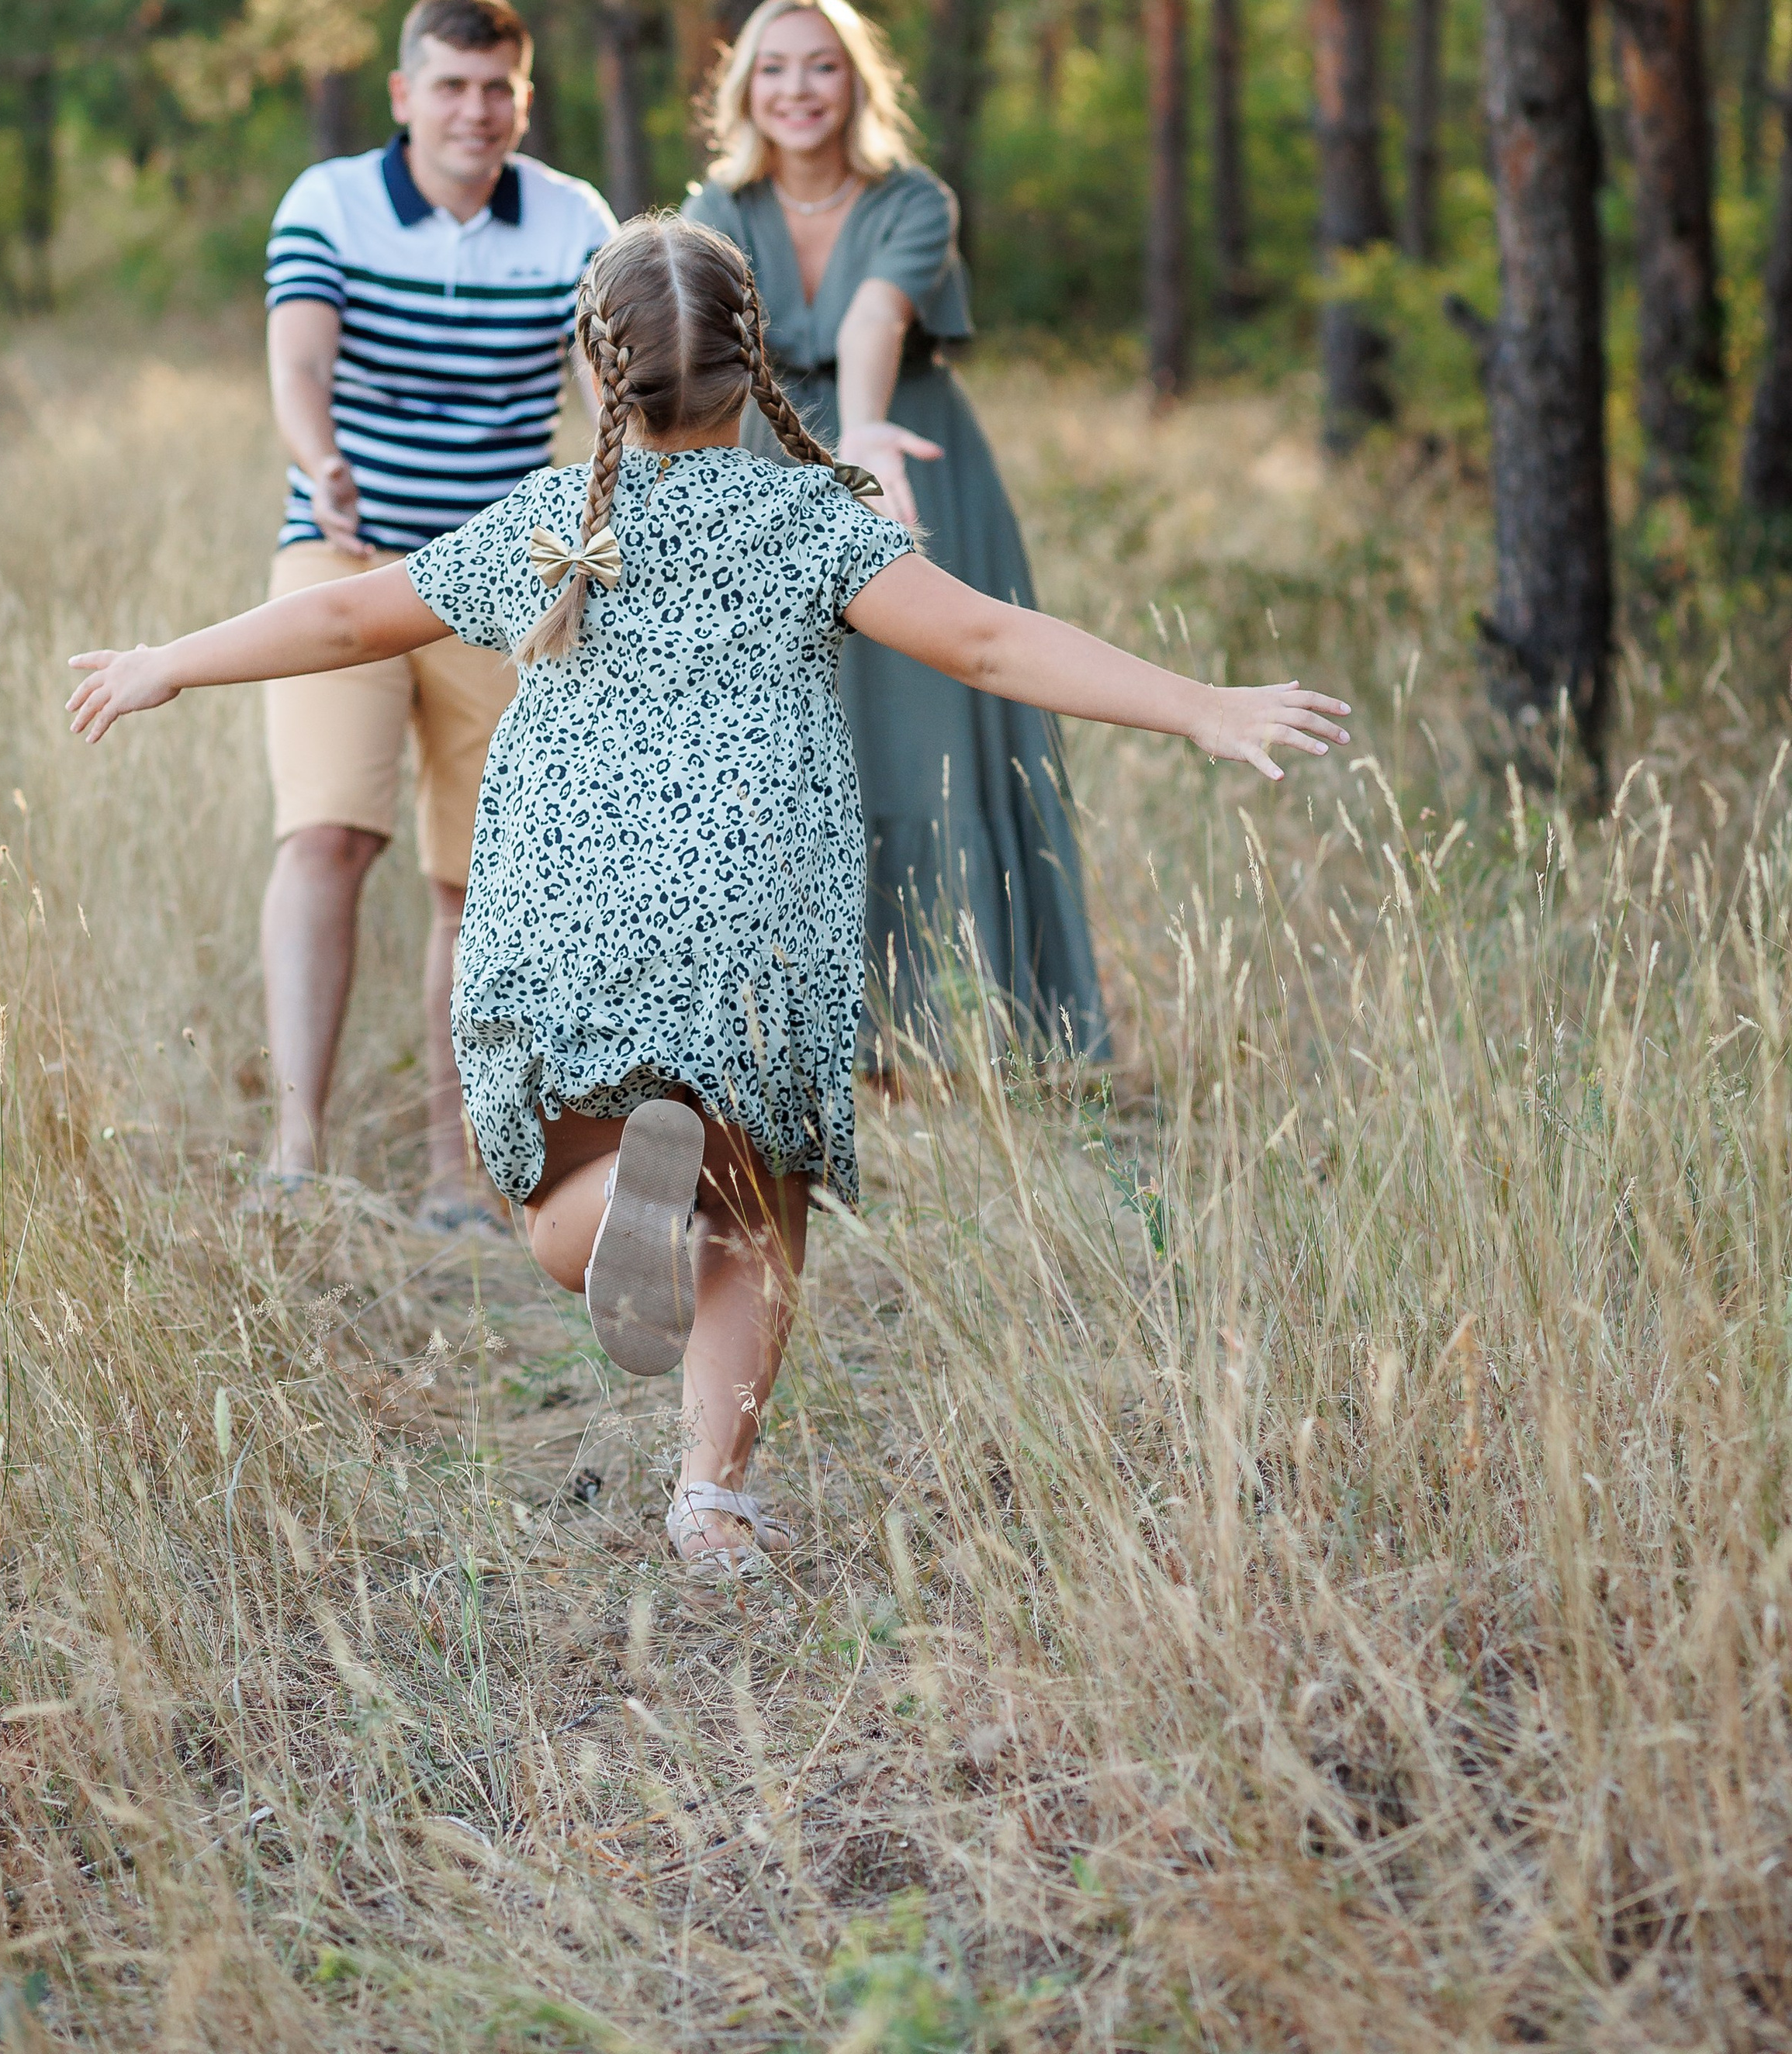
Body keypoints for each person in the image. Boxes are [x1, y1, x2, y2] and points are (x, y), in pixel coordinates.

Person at [68, 215, 1349, 1575]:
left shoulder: (556, 522)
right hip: (755, 904)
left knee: (563, 1173)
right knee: (759, 1199)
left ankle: (623, 1191)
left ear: (591, 366)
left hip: (570, 902)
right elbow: (986, 640)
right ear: (758, 364)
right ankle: (712, 1502)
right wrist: (1196, 703)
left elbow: (342, 617)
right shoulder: (811, 523)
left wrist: (174, 660)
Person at [683, 0, 1107, 1057]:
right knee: (790, 732)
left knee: (940, 729)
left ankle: (975, 1030)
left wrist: (862, 440)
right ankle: (810, 1029)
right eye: (773, 68)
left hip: (914, 463)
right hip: (769, 475)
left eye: (820, 65)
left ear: (856, 82)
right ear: (744, 88)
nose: (797, 90)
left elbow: (876, 313)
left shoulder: (916, 199)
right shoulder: (714, 213)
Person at [258, 0, 614, 1225]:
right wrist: (321, 460)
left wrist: (628, 488)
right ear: (406, 95)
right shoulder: (333, 201)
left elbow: (601, 374)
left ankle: (459, 1170)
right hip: (345, 563)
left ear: (525, 98)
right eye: (451, 88)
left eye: (498, 89)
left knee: (477, 877)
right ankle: (299, 1162)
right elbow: (300, 359)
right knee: (329, 837)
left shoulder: (572, 216)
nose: (476, 111)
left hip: (502, 583)